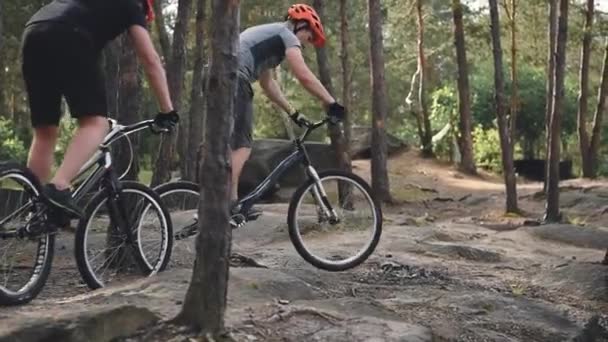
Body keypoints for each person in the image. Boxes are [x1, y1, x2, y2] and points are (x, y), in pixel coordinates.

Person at [21, 0, 179, 219]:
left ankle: (33, 210)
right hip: (70, 34)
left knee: (45, 132)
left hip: (33, 32)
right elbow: (150, 60)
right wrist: (167, 111)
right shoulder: (132, 5)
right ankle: (59, 187)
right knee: (96, 124)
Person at [232, 3, 345, 219]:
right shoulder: (286, 34)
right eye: (309, 38)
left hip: (219, 76)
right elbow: (302, 74)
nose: (307, 44)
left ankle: (221, 201)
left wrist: (293, 112)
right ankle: (229, 203)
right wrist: (331, 102)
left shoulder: (271, 39)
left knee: (229, 146)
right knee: (242, 146)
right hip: (235, 79)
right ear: (301, 26)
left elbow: (267, 84)